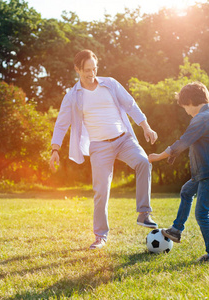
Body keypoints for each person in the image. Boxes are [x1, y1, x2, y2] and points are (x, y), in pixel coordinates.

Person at [49, 49, 158, 250]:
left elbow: (131, 105)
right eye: (86, 70)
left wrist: (146, 127)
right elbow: (61, 123)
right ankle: (100, 236)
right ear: (77, 69)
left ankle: (144, 213)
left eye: (94, 69)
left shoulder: (110, 84)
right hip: (99, 146)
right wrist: (55, 149)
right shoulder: (73, 96)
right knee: (101, 191)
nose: (91, 73)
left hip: (123, 139)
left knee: (143, 162)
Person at [148, 82, 209, 262]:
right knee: (187, 191)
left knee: (202, 214)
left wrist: (157, 157)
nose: (185, 111)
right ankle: (176, 230)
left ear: (189, 101)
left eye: (184, 106)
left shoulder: (202, 118)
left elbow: (183, 142)